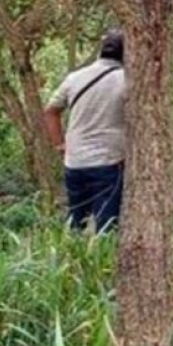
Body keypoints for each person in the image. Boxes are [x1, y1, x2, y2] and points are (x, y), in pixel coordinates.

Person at [42, 29, 126, 232]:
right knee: (106, 226)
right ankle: (99, 262)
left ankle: (70, 260)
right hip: (108, 163)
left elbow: (51, 111)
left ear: (100, 51)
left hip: (75, 162)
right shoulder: (129, 80)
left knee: (75, 221)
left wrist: (59, 145)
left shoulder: (75, 78)